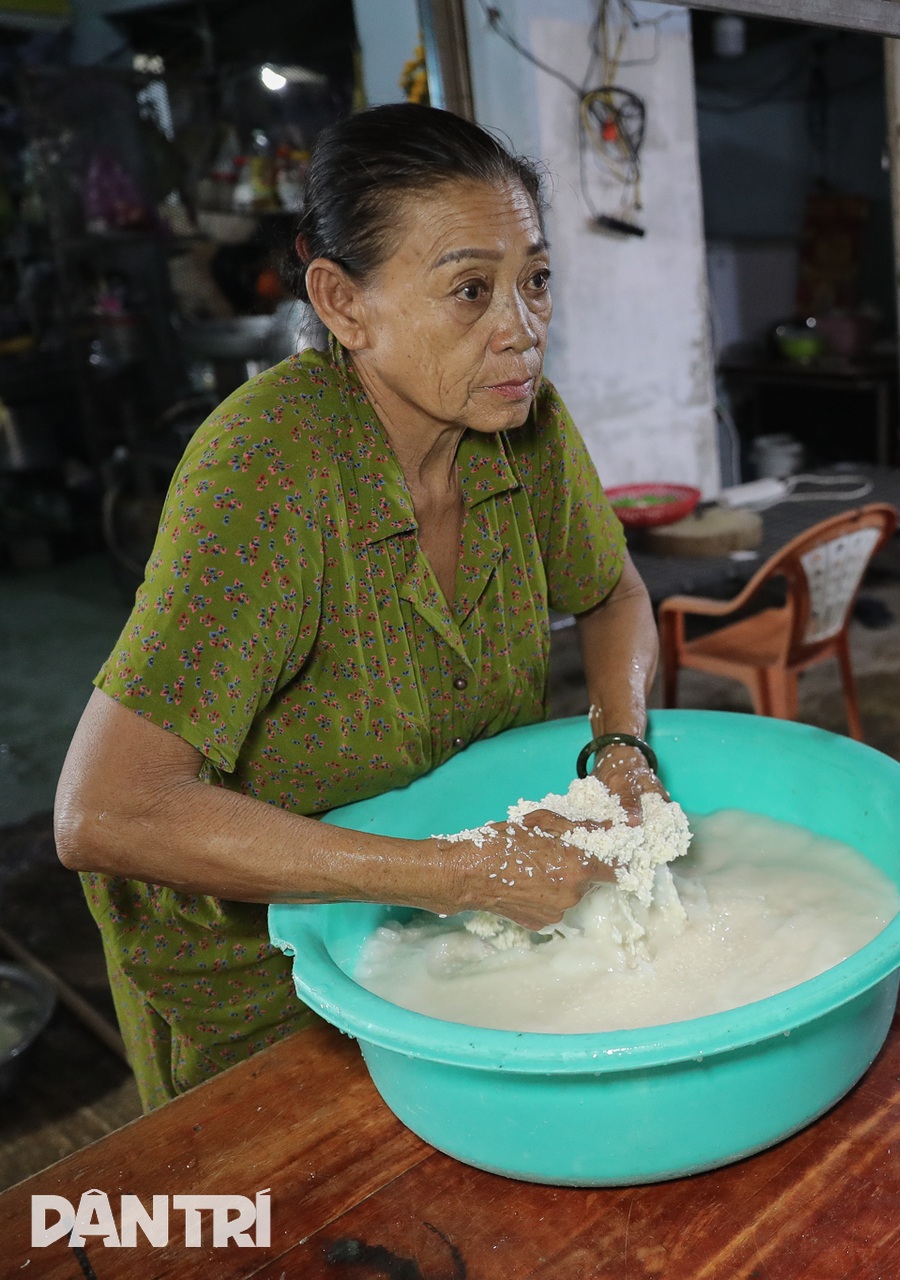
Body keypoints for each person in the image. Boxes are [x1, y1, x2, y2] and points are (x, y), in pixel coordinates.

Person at [54, 104, 664, 1110]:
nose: (522, 330)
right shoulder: (270, 469)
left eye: (536, 280)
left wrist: (621, 747)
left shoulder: (526, 430)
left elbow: (614, 593)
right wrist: (462, 874)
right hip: (267, 989)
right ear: (344, 304)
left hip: (451, 937)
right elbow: (105, 810)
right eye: (472, 289)